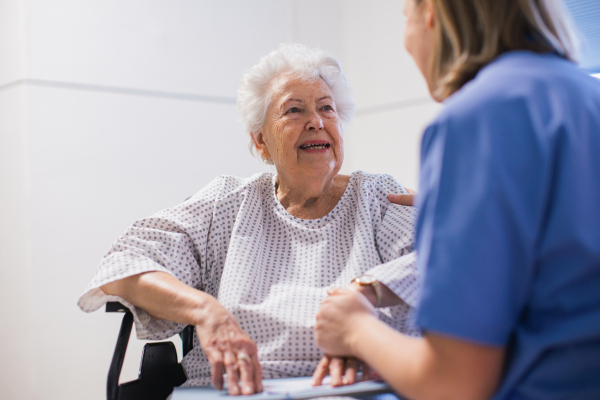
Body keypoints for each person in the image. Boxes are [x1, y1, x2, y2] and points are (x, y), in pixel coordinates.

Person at [78, 43, 421, 396]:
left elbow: (440, 263)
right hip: (234, 388)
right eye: (294, 110)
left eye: (326, 108)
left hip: (356, 385)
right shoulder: (226, 203)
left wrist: (365, 299)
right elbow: (125, 261)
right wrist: (206, 311)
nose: (316, 122)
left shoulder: (377, 197)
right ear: (261, 142)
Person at [314, 0, 600, 399]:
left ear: (431, 11)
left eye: (404, 18)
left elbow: (453, 384)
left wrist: (355, 328)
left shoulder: (478, 117)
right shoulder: (587, 96)